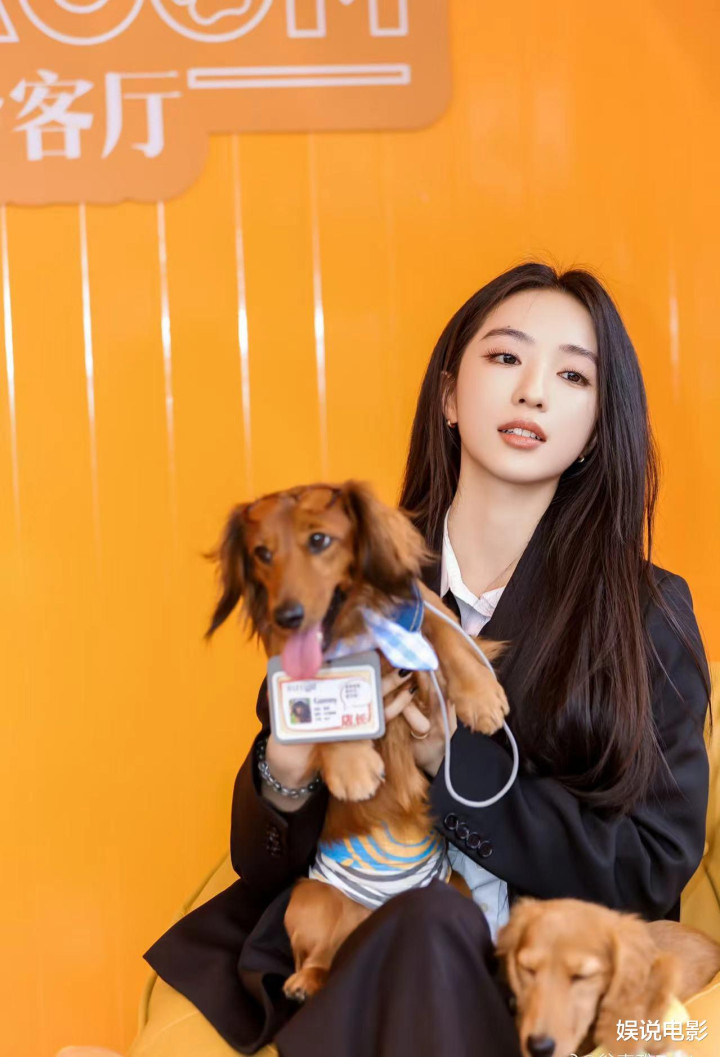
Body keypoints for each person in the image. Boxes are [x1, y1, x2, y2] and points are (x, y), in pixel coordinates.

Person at [142, 262, 712, 1057]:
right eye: (506, 357)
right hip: (345, 948)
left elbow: (650, 868)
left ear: (594, 427)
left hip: (531, 980)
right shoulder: (342, 571)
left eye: (572, 375)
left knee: (436, 921)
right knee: (418, 925)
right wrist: (285, 768)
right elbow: (265, 861)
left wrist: (452, 764)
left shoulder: (647, 613)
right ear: (448, 396)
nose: (533, 392)